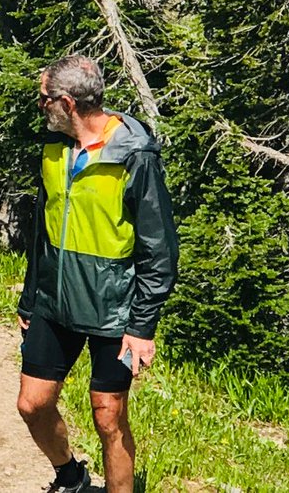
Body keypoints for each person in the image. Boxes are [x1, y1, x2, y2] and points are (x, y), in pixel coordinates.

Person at [16, 55, 178, 493]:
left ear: (67, 103)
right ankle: (71, 476)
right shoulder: (53, 147)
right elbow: (41, 230)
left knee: (109, 414)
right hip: (54, 300)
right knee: (32, 404)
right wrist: (31, 297)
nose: (40, 108)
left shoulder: (134, 156)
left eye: (43, 100)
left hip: (115, 309)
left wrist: (142, 326)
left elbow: (159, 249)